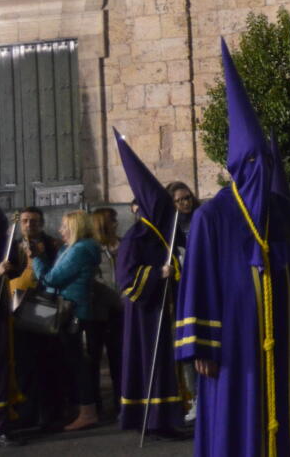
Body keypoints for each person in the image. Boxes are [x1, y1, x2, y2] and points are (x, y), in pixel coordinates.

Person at [174, 42, 290, 457]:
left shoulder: (284, 212)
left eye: (266, 162)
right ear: (237, 167)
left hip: (284, 343)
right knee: (239, 421)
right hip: (234, 346)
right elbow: (198, 284)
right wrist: (202, 346)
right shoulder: (211, 217)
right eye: (253, 162)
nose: (262, 170)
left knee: (285, 418)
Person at [113, 130, 185, 437]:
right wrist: (158, 274)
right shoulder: (136, 238)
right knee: (150, 364)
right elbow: (127, 279)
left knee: (167, 365)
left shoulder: (164, 236)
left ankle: (168, 418)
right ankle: (153, 420)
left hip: (165, 310)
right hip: (146, 314)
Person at [35, 210, 102, 431]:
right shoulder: (73, 249)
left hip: (72, 312)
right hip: (73, 311)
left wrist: (36, 258)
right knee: (74, 363)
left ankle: (87, 412)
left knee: (77, 364)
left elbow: (51, 278)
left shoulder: (80, 250)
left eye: (64, 226)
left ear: (75, 228)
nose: (60, 230)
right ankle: (80, 408)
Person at [10, 206, 63, 430]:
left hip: (44, 307)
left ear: (41, 223)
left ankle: (50, 415)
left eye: (33, 221)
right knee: (24, 365)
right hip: (18, 308)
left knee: (47, 362)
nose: (29, 225)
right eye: (25, 221)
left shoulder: (52, 245)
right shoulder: (11, 246)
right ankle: (27, 413)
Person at [166, 180, 199, 424]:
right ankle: (194, 397)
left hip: (203, 288)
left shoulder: (201, 219)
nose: (184, 203)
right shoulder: (170, 227)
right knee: (187, 344)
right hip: (181, 293)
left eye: (187, 198)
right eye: (178, 200)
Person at [88, 207, 124, 420]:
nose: (116, 223)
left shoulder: (122, 244)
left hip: (120, 311)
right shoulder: (91, 248)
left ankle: (122, 402)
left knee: (119, 358)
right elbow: (95, 280)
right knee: (93, 360)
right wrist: (115, 299)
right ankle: (96, 405)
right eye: (112, 220)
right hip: (98, 311)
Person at [0, 206, 25, 447]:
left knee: (1, 369)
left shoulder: (5, 238)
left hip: (0, 310)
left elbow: (15, 268)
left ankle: (2, 426)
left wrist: (11, 266)